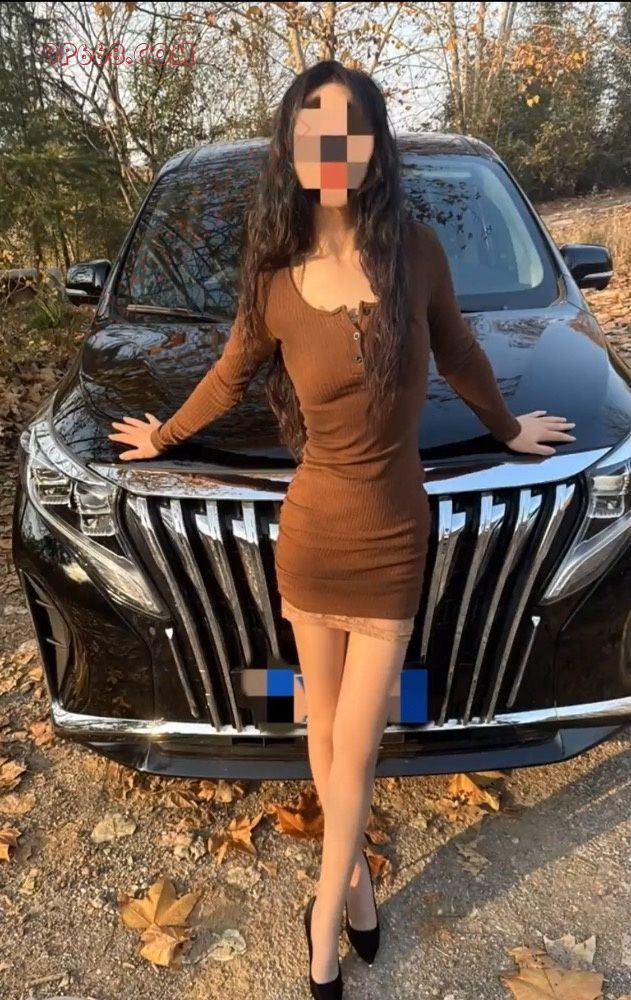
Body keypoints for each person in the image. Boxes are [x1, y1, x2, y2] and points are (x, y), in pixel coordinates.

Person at [109, 59, 576, 999]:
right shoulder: (275, 283)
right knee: (320, 730)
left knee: (355, 747)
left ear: (371, 145)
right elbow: (229, 376)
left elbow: (462, 354)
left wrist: (506, 429)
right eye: (312, 133)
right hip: (310, 536)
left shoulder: (416, 254)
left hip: (391, 538)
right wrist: (163, 436)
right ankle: (352, 890)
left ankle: (323, 921)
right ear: (292, 149)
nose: (331, 149)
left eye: (348, 130)